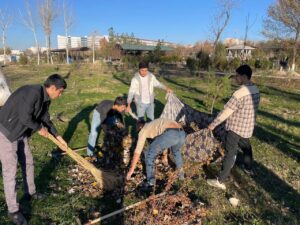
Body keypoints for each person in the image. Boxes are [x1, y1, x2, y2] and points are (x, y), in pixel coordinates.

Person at [0, 74, 67, 225]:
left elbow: (45, 119)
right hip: (5, 131)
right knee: (10, 170)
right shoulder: (33, 92)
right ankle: (13, 210)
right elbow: (25, 117)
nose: (60, 95)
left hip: (20, 132)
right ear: (52, 88)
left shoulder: (45, 99)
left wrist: (58, 137)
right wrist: (39, 129)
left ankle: (30, 192)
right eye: (60, 91)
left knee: (28, 162)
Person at [207, 64, 260, 190]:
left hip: (235, 128)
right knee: (247, 148)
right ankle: (248, 168)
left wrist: (212, 125)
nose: (235, 78)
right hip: (247, 127)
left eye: (237, 76)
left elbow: (226, 112)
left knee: (230, 153)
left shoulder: (239, 93)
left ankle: (220, 180)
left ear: (243, 77)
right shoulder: (256, 89)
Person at [126, 118, 186, 191]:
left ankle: (151, 183)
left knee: (148, 154)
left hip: (171, 134)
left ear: (140, 126)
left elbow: (137, 152)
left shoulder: (143, 130)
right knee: (176, 151)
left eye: (137, 128)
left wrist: (131, 170)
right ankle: (181, 176)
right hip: (182, 133)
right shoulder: (153, 124)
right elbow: (164, 142)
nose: (137, 131)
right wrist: (165, 157)